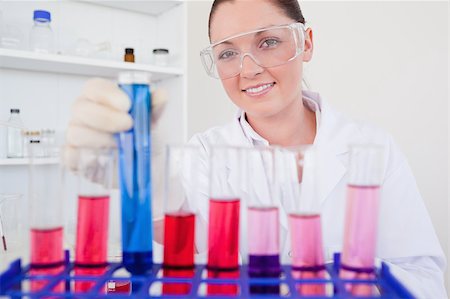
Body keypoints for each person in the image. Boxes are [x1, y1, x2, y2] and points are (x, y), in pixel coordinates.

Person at [64, 0, 447, 297]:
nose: (248, 69)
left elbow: (427, 283)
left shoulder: (371, 147)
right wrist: (140, 176)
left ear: (305, 43)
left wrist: (346, 279)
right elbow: (164, 245)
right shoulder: (202, 155)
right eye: (228, 53)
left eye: (268, 42)